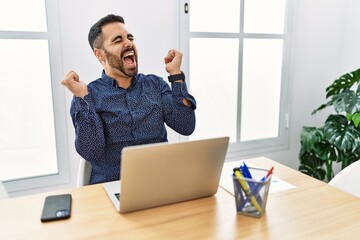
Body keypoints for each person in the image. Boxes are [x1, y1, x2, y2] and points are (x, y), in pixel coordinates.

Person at [61, 14, 196, 184]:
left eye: (130, 37)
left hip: (160, 183)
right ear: (100, 55)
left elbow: (186, 125)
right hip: (112, 188)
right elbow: (91, 152)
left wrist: (176, 75)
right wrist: (82, 99)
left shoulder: (155, 85)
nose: (128, 43)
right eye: (118, 40)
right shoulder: (88, 95)